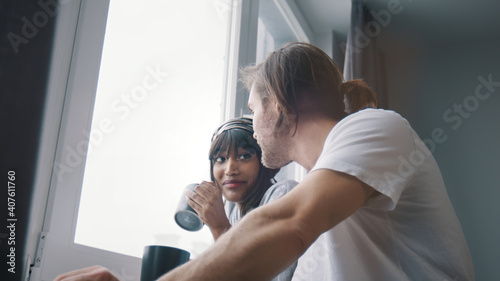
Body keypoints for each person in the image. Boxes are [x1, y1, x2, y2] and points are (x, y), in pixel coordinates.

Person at [55, 42, 475, 281]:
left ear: (279, 103)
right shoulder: (322, 214)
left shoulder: (375, 128)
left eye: (254, 109)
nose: (253, 126)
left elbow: (284, 226)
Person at [186, 117, 298, 280]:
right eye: (220, 159)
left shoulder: (284, 194)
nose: (230, 170)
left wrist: (221, 229)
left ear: (264, 161)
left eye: (244, 156)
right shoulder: (235, 216)